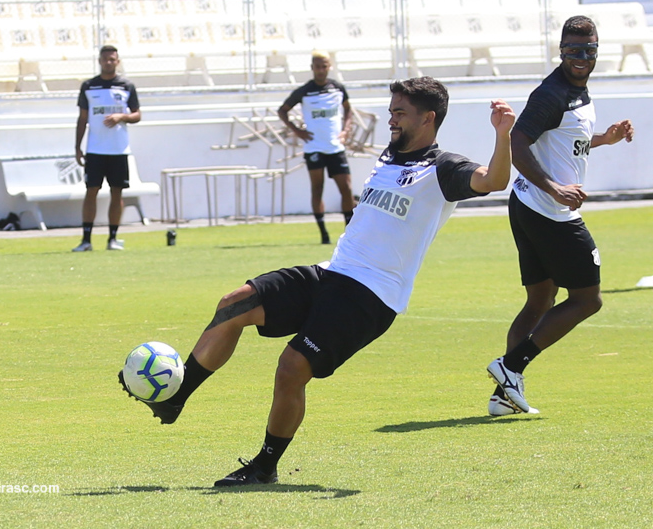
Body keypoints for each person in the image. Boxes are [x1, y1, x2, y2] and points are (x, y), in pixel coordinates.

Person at [119, 77, 516, 486]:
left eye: (400, 113)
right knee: (235, 303)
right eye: (391, 110)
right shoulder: (391, 154)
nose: (390, 119)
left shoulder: (442, 168)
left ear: (428, 118)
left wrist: (502, 135)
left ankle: (264, 467)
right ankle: (175, 398)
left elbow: (493, 181)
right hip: (332, 271)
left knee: (291, 368)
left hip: (372, 295)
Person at [486, 16, 634, 416]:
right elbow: (518, 144)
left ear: (597, 50)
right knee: (588, 300)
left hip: (530, 205)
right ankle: (510, 366)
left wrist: (605, 138)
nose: (581, 58)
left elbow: (568, 144)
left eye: (589, 50)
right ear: (561, 51)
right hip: (550, 211)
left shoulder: (577, 90)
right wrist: (555, 188)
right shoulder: (552, 93)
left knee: (539, 300)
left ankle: (504, 395)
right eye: (573, 51)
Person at [278, 50, 355, 244]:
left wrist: (345, 130)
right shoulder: (304, 91)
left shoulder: (338, 88)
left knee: (346, 188)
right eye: (317, 66)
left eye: (324, 66)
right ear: (312, 68)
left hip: (335, 147)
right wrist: (298, 131)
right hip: (314, 148)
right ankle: (324, 234)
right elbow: (283, 111)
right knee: (317, 188)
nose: (321, 70)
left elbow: (348, 109)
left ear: (329, 67)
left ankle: (350, 232)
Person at [72, 45, 141, 252]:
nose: (109, 62)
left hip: (118, 150)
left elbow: (137, 115)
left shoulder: (126, 86)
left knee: (117, 193)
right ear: (100, 61)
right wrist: (78, 146)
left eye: (112, 59)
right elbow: (83, 118)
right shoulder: (89, 86)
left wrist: (122, 116)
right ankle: (86, 240)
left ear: (117, 61)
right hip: (95, 149)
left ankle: (112, 238)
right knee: (91, 190)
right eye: (105, 59)